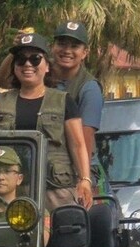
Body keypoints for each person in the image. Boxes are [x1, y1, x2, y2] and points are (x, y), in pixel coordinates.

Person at [0, 32, 93, 212]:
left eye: (35, 59)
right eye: (21, 60)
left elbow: (78, 145)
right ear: (14, 67)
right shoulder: (2, 100)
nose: (28, 64)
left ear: (47, 66)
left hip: (55, 189)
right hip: (11, 192)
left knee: (61, 236)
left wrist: (85, 179)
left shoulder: (64, 100)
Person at [49, 21, 113, 202]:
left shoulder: (89, 88)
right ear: (52, 47)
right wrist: (20, 49)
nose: (67, 50)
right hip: (49, 164)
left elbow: (83, 141)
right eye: (61, 44)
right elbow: (5, 80)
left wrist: (82, 178)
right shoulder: (43, 75)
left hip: (78, 167)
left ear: (84, 53)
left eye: (75, 46)